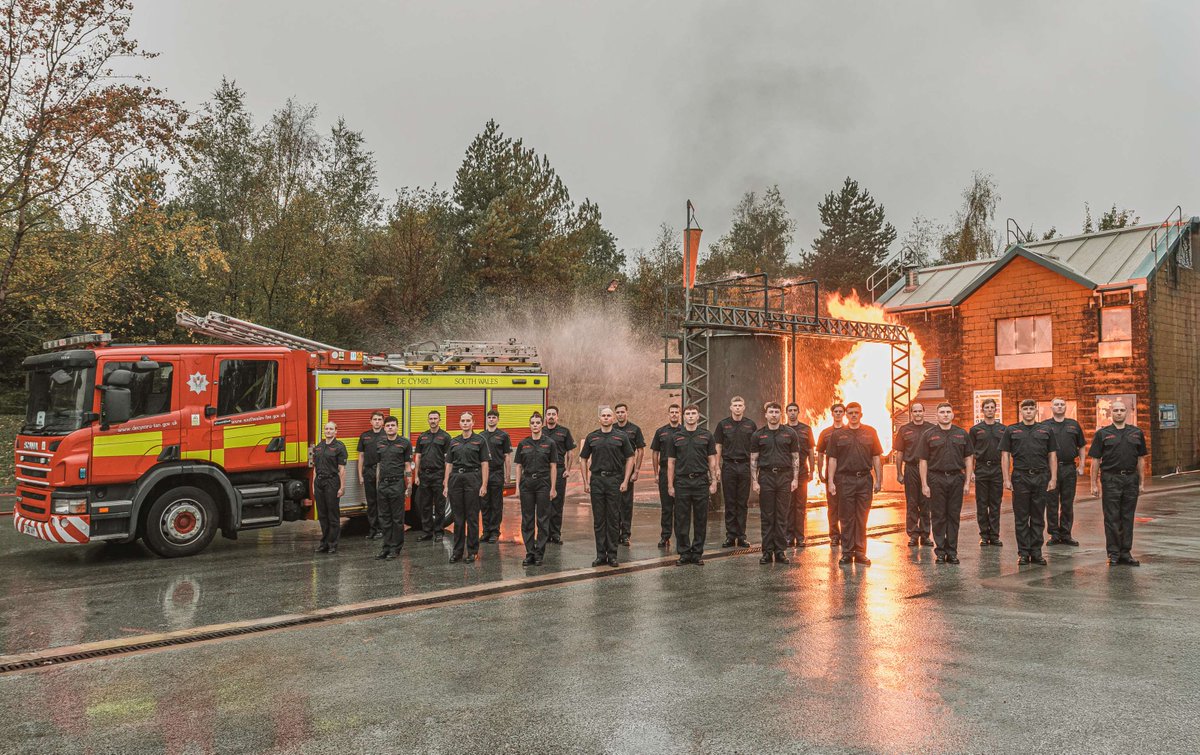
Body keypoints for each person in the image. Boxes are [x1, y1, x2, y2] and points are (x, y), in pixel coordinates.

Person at [1088, 399, 1148, 566]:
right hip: (1111, 479)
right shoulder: (1103, 434)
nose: (1119, 413)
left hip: (1131, 479)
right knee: (1112, 517)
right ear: (1111, 413)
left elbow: (1141, 460)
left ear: (1127, 412)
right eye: (1116, 410)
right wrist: (1093, 483)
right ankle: (1113, 553)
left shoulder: (1136, 433)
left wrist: (1141, 483)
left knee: (1127, 517)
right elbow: (1095, 460)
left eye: (1122, 410)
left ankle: (1125, 553)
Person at [1000, 399, 1057, 566]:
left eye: (1032, 409)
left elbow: (1052, 455)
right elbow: (1005, 455)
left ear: (1035, 411)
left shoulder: (1046, 430)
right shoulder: (1012, 430)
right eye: (1025, 409)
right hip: (1020, 477)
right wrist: (1006, 478)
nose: (1029, 412)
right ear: (1021, 411)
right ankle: (1024, 553)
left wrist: (1053, 478)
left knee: (1038, 516)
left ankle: (1036, 552)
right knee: (1022, 517)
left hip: (1041, 477)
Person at [826, 402, 883, 566]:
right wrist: (830, 481)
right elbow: (833, 460)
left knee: (861, 517)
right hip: (845, 480)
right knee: (846, 517)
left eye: (856, 412)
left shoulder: (870, 432)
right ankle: (847, 552)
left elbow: (876, 458)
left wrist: (879, 480)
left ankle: (860, 553)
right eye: (850, 413)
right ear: (846, 415)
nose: (853, 415)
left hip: (865, 479)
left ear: (861, 414)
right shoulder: (838, 435)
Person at [918, 403, 973, 565]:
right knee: (938, 516)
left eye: (948, 412)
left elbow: (969, 459)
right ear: (937, 415)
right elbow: (923, 461)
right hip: (936, 479)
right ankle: (940, 552)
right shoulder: (929, 435)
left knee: (953, 516)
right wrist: (924, 484)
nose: (945, 414)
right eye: (942, 412)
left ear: (952, 414)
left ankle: (952, 552)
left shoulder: (962, 434)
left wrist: (967, 482)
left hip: (956, 478)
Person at [580, 406, 635, 568]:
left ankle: (612, 555)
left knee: (613, 519)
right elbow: (583, 459)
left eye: (608, 415)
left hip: (614, 481)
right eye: (603, 415)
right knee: (599, 520)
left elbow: (630, 458)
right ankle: (600, 555)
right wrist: (585, 481)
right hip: (597, 480)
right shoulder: (592, 437)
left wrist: (625, 481)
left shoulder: (621, 437)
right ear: (599, 419)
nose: (606, 418)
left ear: (612, 419)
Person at [666, 404, 718, 566]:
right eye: (687, 413)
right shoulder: (675, 437)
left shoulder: (706, 435)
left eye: (693, 413)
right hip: (682, 482)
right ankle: (684, 553)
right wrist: (670, 485)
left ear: (698, 416)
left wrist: (714, 480)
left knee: (701, 519)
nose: (690, 416)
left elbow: (712, 460)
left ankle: (697, 553)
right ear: (683, 416)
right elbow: (671, 463)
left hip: (701, 481)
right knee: (681, 519)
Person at [751, 402, 801, 564]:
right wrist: (754, 481)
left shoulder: (790, 433)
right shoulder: (758, 435)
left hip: (784, 478)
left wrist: (795, 479)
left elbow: (795, 458)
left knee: (781, 516)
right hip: (766, 477)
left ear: (781, 415)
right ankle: (767, 552)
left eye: (776, 412)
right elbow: (753, 459)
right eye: (771, 412)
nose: (773, 415)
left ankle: (780, 552)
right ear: (766, 415)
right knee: (767, 516)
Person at [442, 412, 489, 563]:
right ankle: (457, 552)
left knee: (472, 517)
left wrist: (484, 484)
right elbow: (448, 463)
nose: (465, 423)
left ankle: (473, 551)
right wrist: (446, 483)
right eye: (463, 420)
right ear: (460, 423)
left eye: (468, 420)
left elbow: (484, 464)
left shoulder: (480, 441)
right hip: (456, 479)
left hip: (473, 478)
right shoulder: (454, 441)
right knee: (458, 518)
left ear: (473, 422)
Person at [514, 412, 559, 566]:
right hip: (527, 483)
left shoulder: (550, 443)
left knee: (542, 519)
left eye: (537, 422)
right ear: (530, 425)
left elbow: (553, 467)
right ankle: (530, 553)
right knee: (527, 520)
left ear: (542, 425)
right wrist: (517, 487)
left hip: (543, 483)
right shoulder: (523, 443)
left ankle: (539, 553)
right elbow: (519, 466)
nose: (535, 425)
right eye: (532, 423)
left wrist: (553, 488)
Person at [1043, 398, 1085, 546]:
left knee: (1067, 503)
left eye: (1062, 405)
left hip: (1069, 468)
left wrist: (1081, 465)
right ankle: (1054, 534)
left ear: (1065, 407)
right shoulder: (1045, 426)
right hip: (1050, 470)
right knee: (1052, 503)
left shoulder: (1073, 425)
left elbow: (1081, 446)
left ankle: (1066, 534)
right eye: (1056, 405)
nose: (1059, 407)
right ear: (1051, 407)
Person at [715, 396, 756, 548]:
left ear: (744, 407)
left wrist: (754, 470)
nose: (737, 408)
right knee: (730, 502)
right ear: (730, 407)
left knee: (742, 503)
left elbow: (754, 450)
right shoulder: (723, 425)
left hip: (744, 466)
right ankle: (730, 536)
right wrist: (717, 467)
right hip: (729, 466)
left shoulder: (750, 425)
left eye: (740, 405)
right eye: (735, 405)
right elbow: (718, 446)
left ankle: (742, 536)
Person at [894, 403, 934, 547]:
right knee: (911, 503)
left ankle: (925, 535)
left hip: (927, 470)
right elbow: (899, 453)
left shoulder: (931, 428)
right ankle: (913, 534)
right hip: (911, 469)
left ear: (924, 412)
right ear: (911, 413)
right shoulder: (904, 430)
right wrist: (899, 473)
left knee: (926, 503)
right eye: (915, 411)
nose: (917, 413)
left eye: (920, 411)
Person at [374, 416, 412, 561]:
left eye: (393, 425)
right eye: (388, 425)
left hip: (397, 484)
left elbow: (407, 466)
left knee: (397, 518)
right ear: (384, 428)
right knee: (384, 518)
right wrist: (378, 484)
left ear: (397, 427)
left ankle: (395, 548)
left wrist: (408, 486)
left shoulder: (404, 443)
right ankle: (386, 547)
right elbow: (379, 465)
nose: (390, 427)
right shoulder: (380, 444)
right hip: (383, 484)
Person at [970, 398, 1005, 546]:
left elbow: (1005, 453)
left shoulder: (1003, 429)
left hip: (997, 469)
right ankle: (984, 535)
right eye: (987, 408)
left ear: (995, 410)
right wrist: (971, 471)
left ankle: (995, 535)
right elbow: (970, 453)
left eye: (992, 407)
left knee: (996, 504)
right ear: (982, 410)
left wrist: (1006, 473)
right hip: (982, 469)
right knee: (982, 504)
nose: (990, 410)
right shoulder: (975, 430)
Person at [413, 410, 452, 542]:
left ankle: (439, 532)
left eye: (435, 418)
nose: (433, 420)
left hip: (438, 475)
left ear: (439, 420)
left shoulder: (446, 437)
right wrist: (416, 475)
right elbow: (418, 456)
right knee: (425, 505)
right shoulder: (422, 437)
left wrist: (446, 479)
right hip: (424, 475)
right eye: (431, 418)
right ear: (428, 420)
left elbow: (448, 460)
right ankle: (427, 532)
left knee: (440, 505)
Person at [312, 421, 347, 554]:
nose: (328, 431)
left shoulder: (339, 447)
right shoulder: (319, 447)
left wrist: (342, 487)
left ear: (336, 431)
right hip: (319, 482)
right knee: (322, 514)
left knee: (333, 514)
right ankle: (324, 543)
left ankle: (333, 544)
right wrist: (313, 486)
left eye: (331, 429)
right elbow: (315, 469)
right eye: (326, 429)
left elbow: (342, 469)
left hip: (332, 482)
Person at [650, 404, 682, 549]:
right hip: (664, 472)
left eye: (676, 412)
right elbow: (655, 453)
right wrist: (656, 473)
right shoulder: (661, 432)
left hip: (681, 472)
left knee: (681, 507)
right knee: (666, 506)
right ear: (668, 414)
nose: (674, 414)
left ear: (680, 414)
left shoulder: (685, 431)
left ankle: (681, 537)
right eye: (672, 412)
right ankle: (665, 536)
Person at [613, 403, 646, 547]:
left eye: (622, 412)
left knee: (626, 504)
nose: (620, 414)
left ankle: (625, 534)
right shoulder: (611, 428)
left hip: (628, 469)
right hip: (613, 470)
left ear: (627, 413)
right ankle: (614, 533)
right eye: (618, 412)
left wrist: (636, 470)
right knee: (613, 503)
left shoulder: (635, 429)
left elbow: (640, 450)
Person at [543, 406, 576, 545]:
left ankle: (555, 534)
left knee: (557, 504)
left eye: (553, 414)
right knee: (543, 504)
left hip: (560, 470)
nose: (551, 416)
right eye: (548, 414)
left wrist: (568, 469)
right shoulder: (541, 431)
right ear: (545, 417)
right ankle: (544, 534)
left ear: (557, 416)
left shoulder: (564, 432)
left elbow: (570, 452)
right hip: (543, 472)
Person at [785, 402, 816, 548]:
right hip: (787, 472)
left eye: (794, 410)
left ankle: (800, 537)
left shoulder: (806, 429)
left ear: (798, 412)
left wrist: (812, 470)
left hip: (803, 472)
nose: (792, 413)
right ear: (786, 413)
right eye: (790, 410)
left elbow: (811, 451)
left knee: (800, 506)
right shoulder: (782, 429)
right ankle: (789, 537)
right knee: (788, 505)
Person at [479, 409, 512, 544]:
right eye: (489, 417)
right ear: (486, 419)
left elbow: (507, 457)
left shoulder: (503, 436)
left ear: (498, 420)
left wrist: (508, 475)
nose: (491, 419)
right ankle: (486, 531)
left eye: (494, 417)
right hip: (483, 474)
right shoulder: (481, 436)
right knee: (484, 504)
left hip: (497, 472)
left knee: (496, 504)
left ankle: (494, 531)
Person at [816, 403, 847, 548]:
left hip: (847, 475)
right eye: (836, 411)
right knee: (833, 506)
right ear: (832, 414)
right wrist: (820, 472)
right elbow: (820, 454)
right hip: (832, 475)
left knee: (847, 506)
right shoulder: (826, 433)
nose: (838, 414)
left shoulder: (850, 431)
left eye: (841, 411)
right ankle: (834, 535)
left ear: (844, 414)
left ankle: (846, 535)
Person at [356, 411, 385, 540]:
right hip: (368, 471)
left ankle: (382, 529)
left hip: (383, 472)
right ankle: (373, 529)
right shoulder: (365, 436)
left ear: (383, 422)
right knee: (371, 502)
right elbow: (361, 456)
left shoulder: (387, 436)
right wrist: (360, 475)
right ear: (371, 421)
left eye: (379, 419)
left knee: (382, 502)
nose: (377, 421)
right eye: (375, 419)